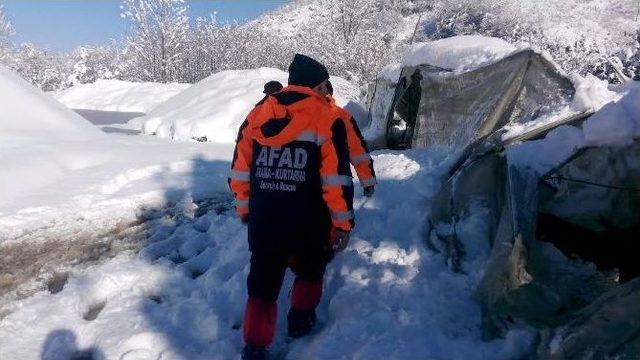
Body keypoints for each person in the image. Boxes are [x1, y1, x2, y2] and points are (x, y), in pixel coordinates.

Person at [229, 53, 355, 360]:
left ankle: (255, 348)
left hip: (266, 218)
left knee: (262, 285)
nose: (329, 91)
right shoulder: (327, 117)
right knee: (310, 272)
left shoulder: (259, 112)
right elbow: (336, 179)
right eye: (326, 83)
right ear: (317, 83)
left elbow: (240, 170)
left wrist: (246, 210)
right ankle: (300, 320)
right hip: (309, 221)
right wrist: (342, 223)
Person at [326, 80, 377, 197]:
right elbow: (357, 150)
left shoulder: (296, 113)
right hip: (338, 187)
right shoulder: (342, 116)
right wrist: (368, 181)